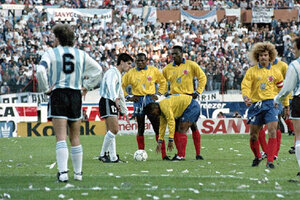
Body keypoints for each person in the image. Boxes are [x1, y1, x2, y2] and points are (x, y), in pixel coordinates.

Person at [36, 24, 103, 182]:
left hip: (59, 93)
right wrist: (86, 86)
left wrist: (45, 89)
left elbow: (40, 70)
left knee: (61, 137)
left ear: (58, 38)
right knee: (75, 137)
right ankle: (78, 174)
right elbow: (98, 70)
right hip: (75, 95)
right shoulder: (81, 54)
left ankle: (63, 173)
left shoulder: (51, 53)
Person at [241, 42, 289, 169]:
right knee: (253, 136)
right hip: (256, 105)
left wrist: (286, 105)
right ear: (257, 57)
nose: (263, 57)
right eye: (261, 55)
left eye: (266, 55)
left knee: (272, 130)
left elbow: (281, 90)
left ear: (270, 56)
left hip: (271, 104)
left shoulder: (276, 72)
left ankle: (270, 161)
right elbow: (245, 86)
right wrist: (246, 97)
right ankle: (257, 156)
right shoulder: (251, 71)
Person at [162, 45, 207, 160]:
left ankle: (193, 154)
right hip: (175, 102)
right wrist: (163, 93)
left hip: (188, 100)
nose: (174, 56)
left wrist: (198, 91)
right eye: (173, 54)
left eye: (176, 53)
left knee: (189, 127)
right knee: (178, 127)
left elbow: (202, 77)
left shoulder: (191, 65)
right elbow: (161, 82)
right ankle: (181, 153)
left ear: (182, 53)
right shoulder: (167, 69)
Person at [122, 53, 169, 160]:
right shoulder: (130, 73)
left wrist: (158, 94)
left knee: (157, 127)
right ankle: (141, 152)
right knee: (141, 127)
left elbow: (163, 82)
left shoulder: (153, 70)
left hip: (150, 100)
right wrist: (128, 97)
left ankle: (164, 155)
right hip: (138, 101)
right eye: (138, 61)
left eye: (142, 61)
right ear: (135, 61)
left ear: (146, 60)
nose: (140, 63)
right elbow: (121, 86)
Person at [98, 53, 133, 163]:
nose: (130, 66)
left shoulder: (118, 74)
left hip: (111, 101)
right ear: (121, 62)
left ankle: (113, 157)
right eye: (128, 63)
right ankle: (103, 154)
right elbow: (110, 84)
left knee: (111, 131)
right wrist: (115, 98)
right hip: (108, 101)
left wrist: (125, 111)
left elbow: (121, 93)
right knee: (114, 129)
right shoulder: (112, 72)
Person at [144, 94, 200, 161]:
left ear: (155, 108)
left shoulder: (164, 107)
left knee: (182, 128)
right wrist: (160, 141)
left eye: (153, 113)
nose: (154, 115)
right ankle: (188, 155)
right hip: (187, 107)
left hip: (191, 106)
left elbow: (171, 122)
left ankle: (181, 156)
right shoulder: (161, 109)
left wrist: (171, 139)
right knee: (183, 129)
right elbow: (162, 126)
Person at [274, 37, 300, 178]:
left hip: (298, 100)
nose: (292, 50)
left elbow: (287, 88)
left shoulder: (294, 65)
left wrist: (277, 99)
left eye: (294, 47)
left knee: (299, 137)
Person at [258, 58, 289, 160]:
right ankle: (267, 151)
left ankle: (275, 153)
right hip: (261, 100)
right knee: (258, 127)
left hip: (276, 100)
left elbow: (288, 83)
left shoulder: (283, 66)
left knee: (276, 127)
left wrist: (286, 104)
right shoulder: (260, 66)